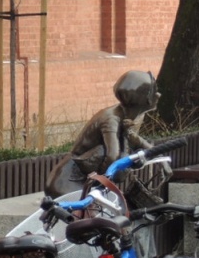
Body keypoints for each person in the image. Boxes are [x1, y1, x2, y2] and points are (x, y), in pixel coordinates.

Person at [45, 70, 161, 198]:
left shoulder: (134, 116)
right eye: (154, 91)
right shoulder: (111, 119)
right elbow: (113, 157)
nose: (159, 95)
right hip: (68, 182)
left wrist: (159, 157)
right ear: (144, 99)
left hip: (89, 182)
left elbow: (133, 141)